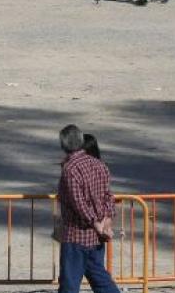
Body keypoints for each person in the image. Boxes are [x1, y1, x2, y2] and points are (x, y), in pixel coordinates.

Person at [56, 125, 119, 293]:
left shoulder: (70, 169)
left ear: (63, 145)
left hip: (76, 236)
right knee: (101, 280)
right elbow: (108, 196)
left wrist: (95, 223)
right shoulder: (100, 165)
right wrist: (106, 220)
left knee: (69, 283)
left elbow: (79, 203)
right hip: (97, 237)